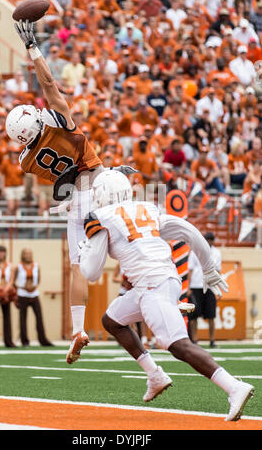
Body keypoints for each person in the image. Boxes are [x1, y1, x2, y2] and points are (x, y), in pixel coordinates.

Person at [6, 20, 135, 364]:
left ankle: (78, 328)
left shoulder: (26, 161)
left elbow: (61, 180)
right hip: (101, 184)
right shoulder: (59, 120)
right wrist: (34, 48)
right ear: (36, 120)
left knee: (78, 268)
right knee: (131, 243)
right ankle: (162, 289)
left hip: (76, 201)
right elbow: (48, 83)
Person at [78, 170, 254, 422]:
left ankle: (233, 387)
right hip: (163, 281)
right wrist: (208, 269)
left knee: (177, 345)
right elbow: (189, 230)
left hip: (151, 286)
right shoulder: (147, 208)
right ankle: (155, 375)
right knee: (112, 321)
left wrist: (84, 253)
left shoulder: (101, 216)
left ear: (104, 193)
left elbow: (92, 273)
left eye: (96, 192)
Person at [187, 232, 222, 348]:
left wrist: (218, 287)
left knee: (211, 314)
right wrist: (188, 287)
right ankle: (195, 340)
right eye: (207, 239)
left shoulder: (217, 253)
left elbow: (218, 271)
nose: (209, 241)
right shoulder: (195, 251)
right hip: (196, 286)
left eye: (211, 239)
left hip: (210, 286)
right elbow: (190, 270)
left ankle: (212, 340)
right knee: (194, 314)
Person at [12, 248, 53, 347]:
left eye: (30, 254)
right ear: (23, 255)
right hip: (22, 294)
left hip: (34, 294)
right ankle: (24, 341)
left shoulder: (36, 266)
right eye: (26, 254)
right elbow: (13, 281)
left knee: (39, 317)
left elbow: (38, 279)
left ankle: (43, 340)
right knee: (22, 318)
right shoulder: (18, 267)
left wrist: (34, 286)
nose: (28, 256)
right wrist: (22, 287)